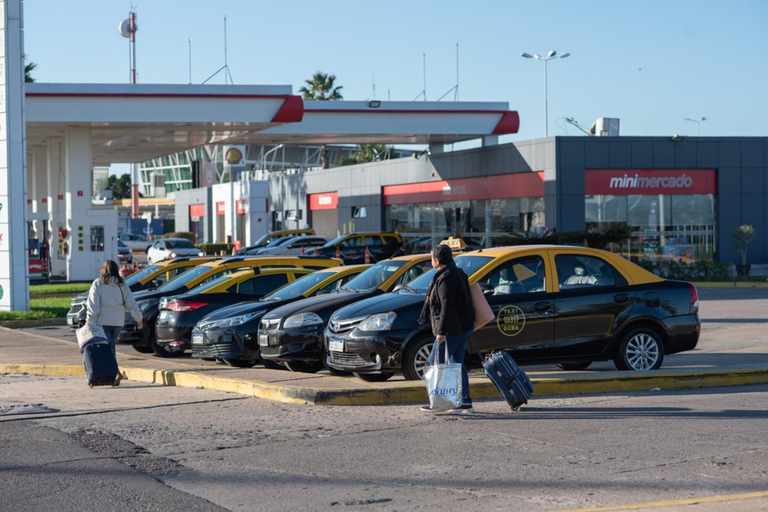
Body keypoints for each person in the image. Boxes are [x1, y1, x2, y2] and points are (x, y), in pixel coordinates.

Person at [419, 244, 475, 414]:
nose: (431, 261)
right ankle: (465, 402)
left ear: (437, 260)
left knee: (434, 362)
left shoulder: (446, 277)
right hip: (463, 326)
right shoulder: (458, 272)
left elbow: (446, 305)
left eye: (431, 258)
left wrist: (441, 332)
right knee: (457, 364)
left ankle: (439, 402)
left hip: (452, 329)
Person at [86, 259, 143, 386]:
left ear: (103, 270)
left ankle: (112, 373)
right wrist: (139, 319)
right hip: (117, 322)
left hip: (102, 322)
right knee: (111, 348)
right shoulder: (122, 285)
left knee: (107, 349)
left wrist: (90, 322)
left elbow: (93, 306)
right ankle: (112, 374)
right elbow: (131, 304)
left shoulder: (98, 284)